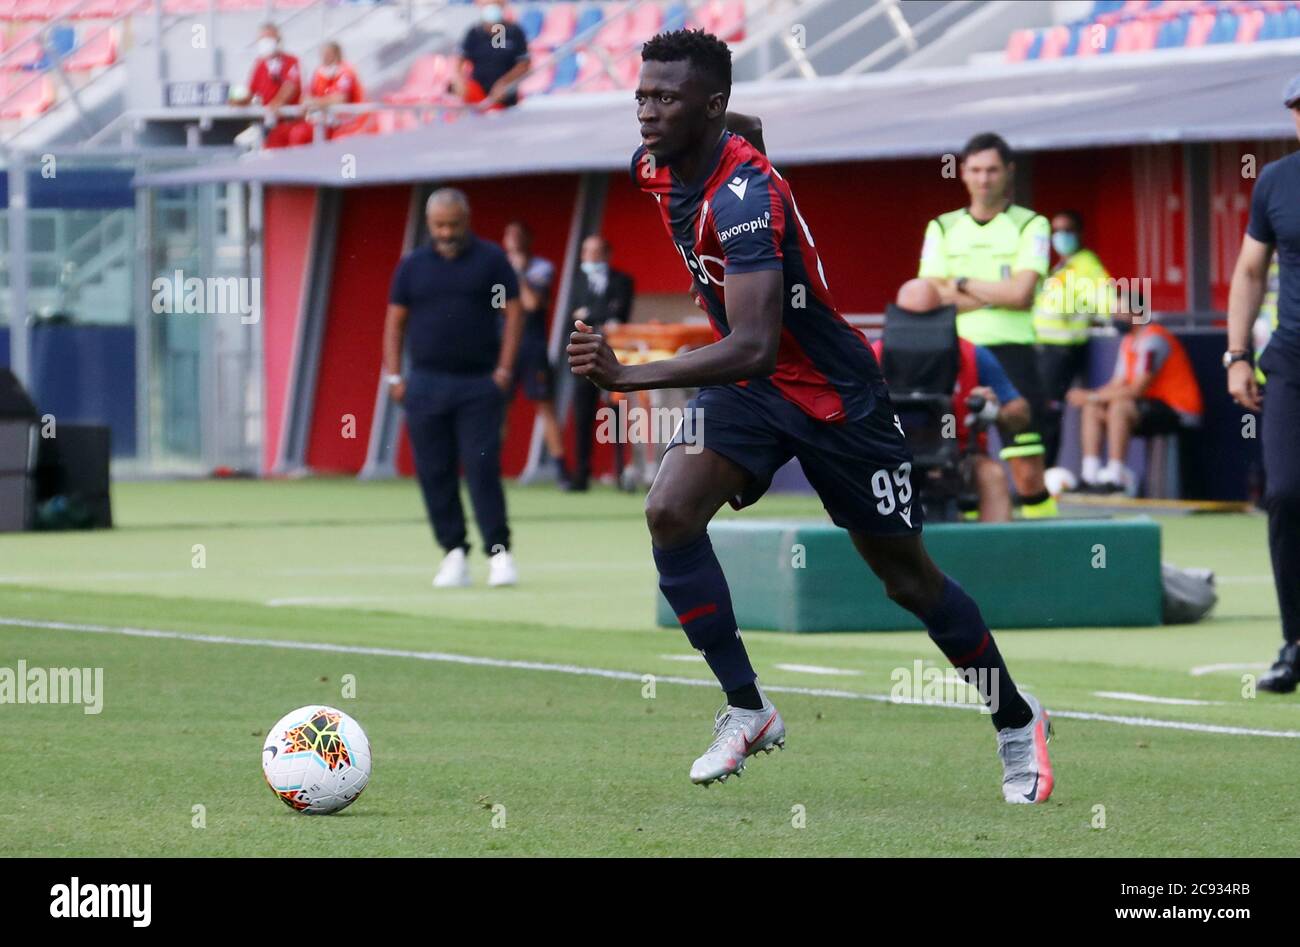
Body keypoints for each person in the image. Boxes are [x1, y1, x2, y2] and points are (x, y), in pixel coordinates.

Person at [567, 29, 1053, 802]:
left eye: (665, 98)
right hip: (753, 394)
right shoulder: (653, 167)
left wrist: (631, 376)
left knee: (907, 580)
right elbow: (740, 140)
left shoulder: (746, 197)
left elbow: (756, 341)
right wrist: (740, 129)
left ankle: (1016, 718)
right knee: (669, 509)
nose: (647, 112)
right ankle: (748, 707)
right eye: (642, 95)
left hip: (835, 396)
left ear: (711, 106)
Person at [383, 189, 524, 589]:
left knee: (482, 468)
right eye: (439, 226)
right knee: (433, 471)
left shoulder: (491, 260)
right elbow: (394, 321)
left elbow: (513, 313)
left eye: (453, 225)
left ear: (467, 220)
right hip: (425, 383)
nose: (447, 233)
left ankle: (499, 553)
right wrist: (395, 376)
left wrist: (504, 369)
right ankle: (453, 552)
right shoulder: (412, 266)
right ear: (430, 225)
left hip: (479, 383)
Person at [919, 132, 1056, 518]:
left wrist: (960, 283)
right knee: (955, 464)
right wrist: (997, 291)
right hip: (957, 357)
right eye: (976, 170)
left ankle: (1047, 548)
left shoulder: (1032, 224)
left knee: (1027, 472)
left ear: (1008, 172)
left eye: (992, 170)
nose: (984, 179)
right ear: (963, 173)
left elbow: (1021, 295)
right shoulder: (942, 227)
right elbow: (931, 295)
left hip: (1014, 354)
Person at [1225, 74, 1300, 692]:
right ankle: (1295, 642)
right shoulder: (1275, 180)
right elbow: (1251, 270)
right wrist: (1236, 353)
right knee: (1286, 493)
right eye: (1298, 109)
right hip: (1293, 362)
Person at [873, 280, 1030, 523]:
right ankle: (846, 557)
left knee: (992, 475)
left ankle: (993, 557)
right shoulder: (873, 357)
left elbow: (1020, 413)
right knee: (846, 480)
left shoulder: (972, 355)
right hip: (888, 456)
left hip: (959, 456)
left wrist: (993, 410)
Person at [1066, 293, 1202, 494]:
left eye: (1121, 312)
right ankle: (1090, 475)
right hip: (1147, 408)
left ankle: (1115, 476)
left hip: (1178, 410)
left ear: (1137, 313)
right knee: (1092, 407)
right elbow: (1116, 384)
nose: (1116, 316)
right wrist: (1090, 397)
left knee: (1119, 406)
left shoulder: (1154, 339)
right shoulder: (1129, 341)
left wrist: (1092, 396)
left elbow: (1137, 390)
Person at [1034, 210, 1112, 468]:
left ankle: (1045, 474)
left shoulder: (1086, 264)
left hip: (1063, 349)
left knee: (1049, 411)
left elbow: (1105, 300)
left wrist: (1119, 313)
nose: (1060, 236)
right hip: (1043, 348)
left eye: (1067, 230)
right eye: (1055, 231)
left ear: (1080, 233)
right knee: (1039, 411)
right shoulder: (1059, 267)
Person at [501, 220, 571, 485]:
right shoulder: (497, 270)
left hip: (533, 347)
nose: (514, 240)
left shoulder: (542, 268)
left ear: (528, 239)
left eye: (519, 235)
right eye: (510, 235)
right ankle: (490, 469)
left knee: (545, 406)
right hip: (505, 347)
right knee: (498, 408)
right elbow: (499, 308)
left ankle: (561, 470)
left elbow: (531, 303)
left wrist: (518, 273)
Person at [567, 235, 635, 492]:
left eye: (595, 252)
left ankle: (620, 473)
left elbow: (619, 316)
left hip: (612, 357)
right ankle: (581, 475)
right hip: (582, 357)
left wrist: (591, 315)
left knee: (614, 415)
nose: (590, 257)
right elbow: (576, 316)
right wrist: (603, 316)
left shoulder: (623, 281)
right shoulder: (575, 282)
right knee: (583, 414)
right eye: (586, 251)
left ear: (606, 254)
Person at [230, 23, 304, 149]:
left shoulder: (291, 61)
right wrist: (239, 101)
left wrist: (276, 104)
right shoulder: (260, 64)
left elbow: (290, 87)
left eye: (269, 38)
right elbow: (251, 91)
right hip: (270, 125)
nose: (265, 43)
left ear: (278, 40)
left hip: (289, 122)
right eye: (262, 39)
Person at [288, 42, 369, 145]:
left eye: (328, 54)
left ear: (336, 54)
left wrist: (315, 103)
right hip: (326, 121)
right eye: (323, 54)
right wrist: (310, 102)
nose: (324, 57)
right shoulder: (319, 72)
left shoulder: (347, 71)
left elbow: (340, 99)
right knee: (299, 133)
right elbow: (306, 96)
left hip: (347, 123)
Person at [454, 0, 530, 111]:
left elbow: (523, 64)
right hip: (478, 98)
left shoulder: (514, 32)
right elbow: (460, 59)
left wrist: (504, 82)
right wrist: (459, 79)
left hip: (504, 99)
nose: (491, 7)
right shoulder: (474, 33)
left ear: (503, 4)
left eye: (495, 3)